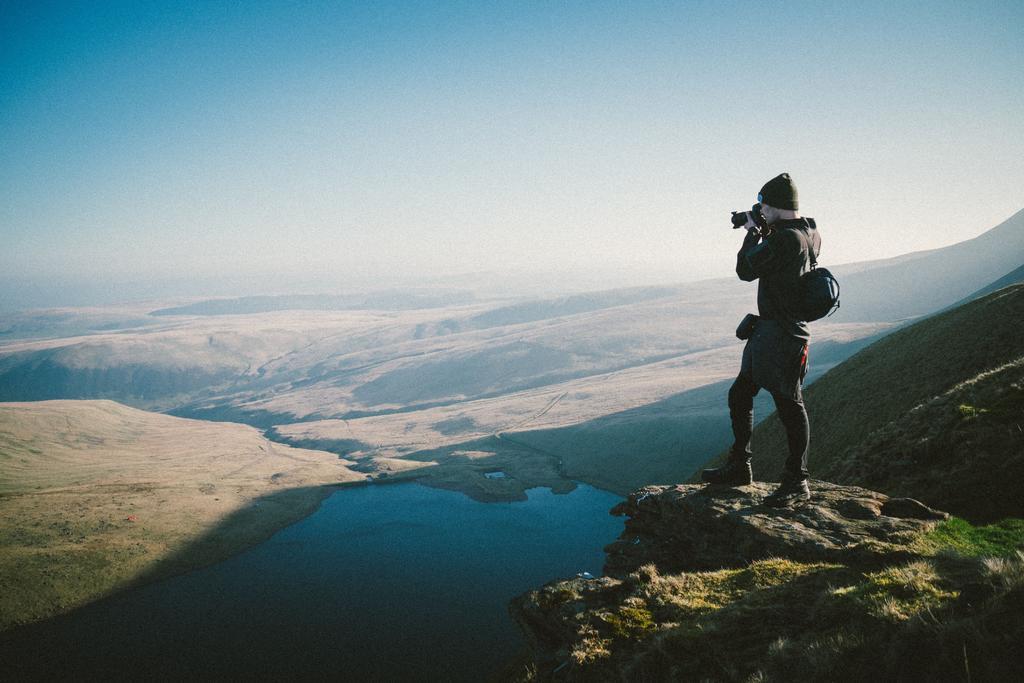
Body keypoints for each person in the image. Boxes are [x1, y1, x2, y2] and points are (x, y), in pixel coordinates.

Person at [701, 172, 821, 507]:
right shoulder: (809, 232)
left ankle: (797, 481)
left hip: (783, 334)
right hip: (771, 329)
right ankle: (741, 465)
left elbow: (745, 269)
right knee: (741, 393)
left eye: (764, 206)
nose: (761, 211)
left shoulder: (785, 239)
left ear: (776, 206)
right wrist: (763, 224)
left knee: (790, 405)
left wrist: (752, 232)